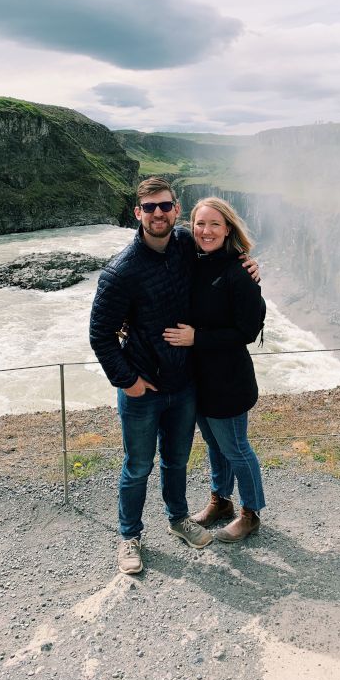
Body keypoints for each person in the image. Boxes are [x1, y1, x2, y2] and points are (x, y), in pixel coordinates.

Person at [89, 178, 259, 574]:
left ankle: (178, 518)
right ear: (138, 213)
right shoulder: (121, 272)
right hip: (143, 387)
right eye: (149, 208)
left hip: (183, 385)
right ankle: (129, 536)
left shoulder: (186, 245)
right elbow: (100, 334)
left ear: (176, 209)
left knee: (177, 461)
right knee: (137, 467)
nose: (158, 214)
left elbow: (221, 252)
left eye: (164, 206)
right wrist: (127, 381)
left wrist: (249, 262)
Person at [163, 197, 266, 542]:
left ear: (228, 229)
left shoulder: (240, 272)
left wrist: (197, 338)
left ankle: (250, 514)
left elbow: (247, 332)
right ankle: (221, 502)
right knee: (213, 444)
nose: (206, 231)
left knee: (236, 447)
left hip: (228, 381)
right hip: (198, 380)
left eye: (214, 225)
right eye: (200, 224)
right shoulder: (192, 261)